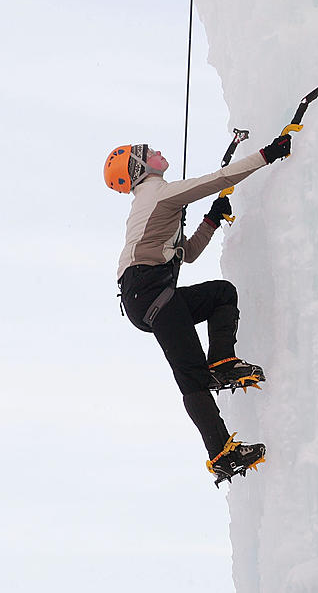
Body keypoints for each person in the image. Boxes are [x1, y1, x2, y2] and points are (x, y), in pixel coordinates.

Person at [104, 135, 292, 485]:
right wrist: (267, 155)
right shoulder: (158, 194)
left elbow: (185, 254)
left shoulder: (154, 201)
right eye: (150, 153)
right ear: (139, 167)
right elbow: (219, 180)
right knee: (191, 376)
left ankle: (221, 363)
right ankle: (222, 453)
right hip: (149, 291)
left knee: (222, 294)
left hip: (147, 295)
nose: (159, 152)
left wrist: (211, 222)